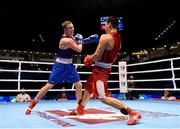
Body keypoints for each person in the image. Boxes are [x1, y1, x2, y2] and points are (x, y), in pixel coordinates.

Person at [70, 16, 142, 125]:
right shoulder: (119, 39)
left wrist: (89, 58)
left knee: (104, 98)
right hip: (105, 68)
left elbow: (97, 56)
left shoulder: (105, 37)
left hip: (101, 70)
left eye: (105, 25)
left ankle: (132, 112)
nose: (104, 27)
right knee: (89, 86)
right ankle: (81, 108)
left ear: (109, 24)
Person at [25, 20, 84, 115]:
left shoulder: (71, 37)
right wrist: (81, 40)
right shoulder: (66, 40)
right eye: (70, 28)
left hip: (69, 66)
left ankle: (79, 107)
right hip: (60, 66)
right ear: (65, 30)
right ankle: (32, 103)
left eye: (73, 27)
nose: (72, 29)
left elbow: (77, 43)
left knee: (79, 85)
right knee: (49, 85)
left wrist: (84, 40)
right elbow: (79, 49)